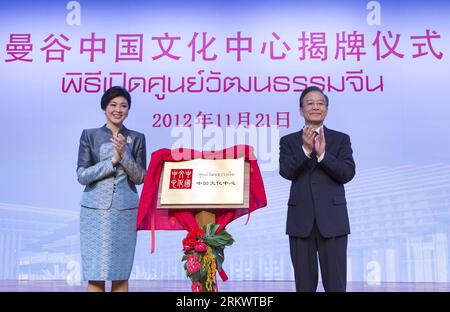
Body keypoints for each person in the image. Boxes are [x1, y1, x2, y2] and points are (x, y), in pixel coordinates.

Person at [279, 86, 355, 292]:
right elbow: (286, 172)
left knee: (336, 284)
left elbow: (347, 173)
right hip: (300, 220)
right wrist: (305, 150)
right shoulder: (288, 141)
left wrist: (323, 155)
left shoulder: (341, 139)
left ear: (326, 110)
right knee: (304, 285)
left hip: (333, 219)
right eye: (310, 103)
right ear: (301, 110)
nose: (315, 107)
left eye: (320, 103)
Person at [76, 86, 147, 292]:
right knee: (95, 274)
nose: (118, 109)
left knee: (120, 274)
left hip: (125, 212)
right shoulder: (90, 135)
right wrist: (113, 160)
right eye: (113, 105)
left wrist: (124, 155)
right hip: (94, 211)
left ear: (128, 110)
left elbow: (140, 177)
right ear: (104, 107)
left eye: (123, 106)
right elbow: (82, 175)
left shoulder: (137, 137)